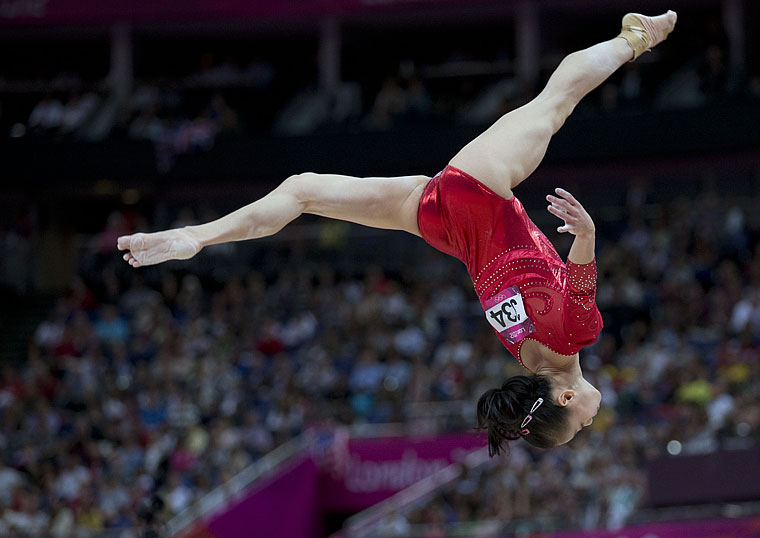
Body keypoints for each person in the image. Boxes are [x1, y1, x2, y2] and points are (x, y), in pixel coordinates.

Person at [117, 11, 678, 456]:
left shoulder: (576, 336)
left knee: (554, 103)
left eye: (578, 426)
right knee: (305, 189)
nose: (588, 423)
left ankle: (636, 36)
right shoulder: (521, 355)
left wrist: (588, 235)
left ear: (564, 396)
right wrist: (580, 244)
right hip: (443, 228)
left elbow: (579, 279)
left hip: (478, 198)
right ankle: (198, 238)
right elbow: (557, 286)